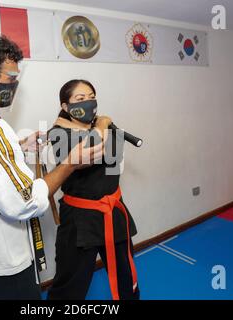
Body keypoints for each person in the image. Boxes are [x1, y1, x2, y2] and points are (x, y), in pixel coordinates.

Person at [0, 34, 103, 300]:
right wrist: (71, 164)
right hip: (4, 254)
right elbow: (26, 200)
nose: (14, 84)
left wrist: (16, 147)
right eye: (10, 77)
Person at [47, 79, 140, 300]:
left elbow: (112, 166)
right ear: (65, 106)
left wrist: (104, 129)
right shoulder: (58, 133)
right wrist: (101, 129)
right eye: (80, 99)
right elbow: (89, 154)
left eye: (91, 97)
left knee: (127, 279)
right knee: (70, 286)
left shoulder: (103, 127)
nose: (88, 102)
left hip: (112, 212)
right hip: (80, 221)